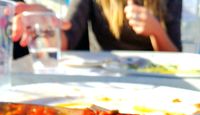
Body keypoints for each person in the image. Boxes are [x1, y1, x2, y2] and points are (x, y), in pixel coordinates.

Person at [12, 0, 182, 52]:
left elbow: (176, 58)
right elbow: (65, 38)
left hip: (155, 79)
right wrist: (45, 21)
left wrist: (157, 32)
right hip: (106, 80)